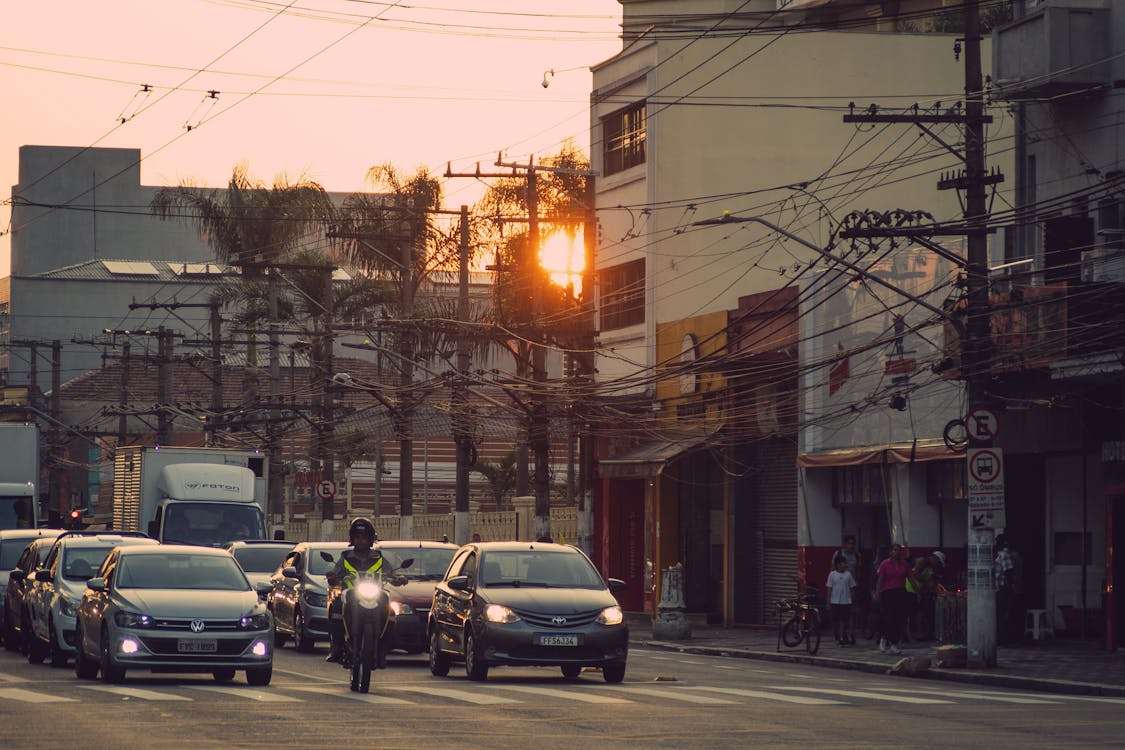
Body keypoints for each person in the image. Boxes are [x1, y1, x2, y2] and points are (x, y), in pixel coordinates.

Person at [324, 517, 385, 664]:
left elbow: (390, 572)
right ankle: (337, 647)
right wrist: (333, 577)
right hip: (351, 594)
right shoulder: (345, 557)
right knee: (336, 608)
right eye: (357, 537)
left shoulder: (379, 557)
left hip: (374, 594)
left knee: (391, 612)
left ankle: (382, 651)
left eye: (364, 537)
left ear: (370, 539)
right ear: (352, 539)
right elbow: (336, 571)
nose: (361, 540)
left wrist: (399, 577)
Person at [874, 543, 913, 655]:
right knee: (888, 616)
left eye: (898, 550)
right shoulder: (885, 564)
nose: (896, 552)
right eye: (894, 550)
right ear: (891, 551)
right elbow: (880, 580)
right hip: (887, 592)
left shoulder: (905, 564)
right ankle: (884, 638)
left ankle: (894, 644)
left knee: (899, 617)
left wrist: (917, 590)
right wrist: (877, 593)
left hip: (900, 592)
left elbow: (910, 578)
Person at [994, 534, 1024, 645]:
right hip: (1001, 589)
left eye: (998, 541)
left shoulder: (1004, 554)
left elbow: (1008, 571)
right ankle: (1003, 638)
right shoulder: (1001, 554)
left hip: (1003, 589)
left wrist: (1006, 587)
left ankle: (1003, 639)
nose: (996, 544)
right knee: (1002, 614)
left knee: (1002, 615)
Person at [825, 554, 857, 646]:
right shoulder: (832, 574)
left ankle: (842, 637)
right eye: (843, 563)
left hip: (846, 601)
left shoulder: (848, 574)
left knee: (843, 619)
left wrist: (853, 600)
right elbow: (829, 589)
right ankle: (837, 636)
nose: (845, 565)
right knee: (835, 620)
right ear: (838, 565)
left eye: (845, 563)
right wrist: (828, 602)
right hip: (834, 601)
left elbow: (852, 588)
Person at [836, 535, 861, 644]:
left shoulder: (857, 555)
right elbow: (833, 569)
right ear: (845, 545)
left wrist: (857, 585)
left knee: (852, 612)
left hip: (852, 585)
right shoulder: (839, 554)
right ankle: (842, 634)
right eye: (849, 543)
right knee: (841, 613)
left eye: (853, 544)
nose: (851, 546)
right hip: (840, 586)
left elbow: (858, 570)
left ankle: (851, 634)